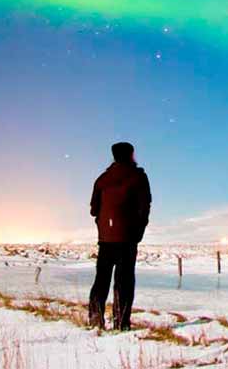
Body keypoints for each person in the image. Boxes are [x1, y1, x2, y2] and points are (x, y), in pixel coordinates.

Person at [88, 141, 152, 330]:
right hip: (127, 238)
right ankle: (121, 323)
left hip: (105, 239)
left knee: (101, 280)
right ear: (131, 154)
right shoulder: (138, 176)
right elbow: (145, 206)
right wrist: (138, 230)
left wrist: (104, 224)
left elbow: (93, 209)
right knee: (124, 282)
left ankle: (95, 321)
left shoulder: (102, 179)